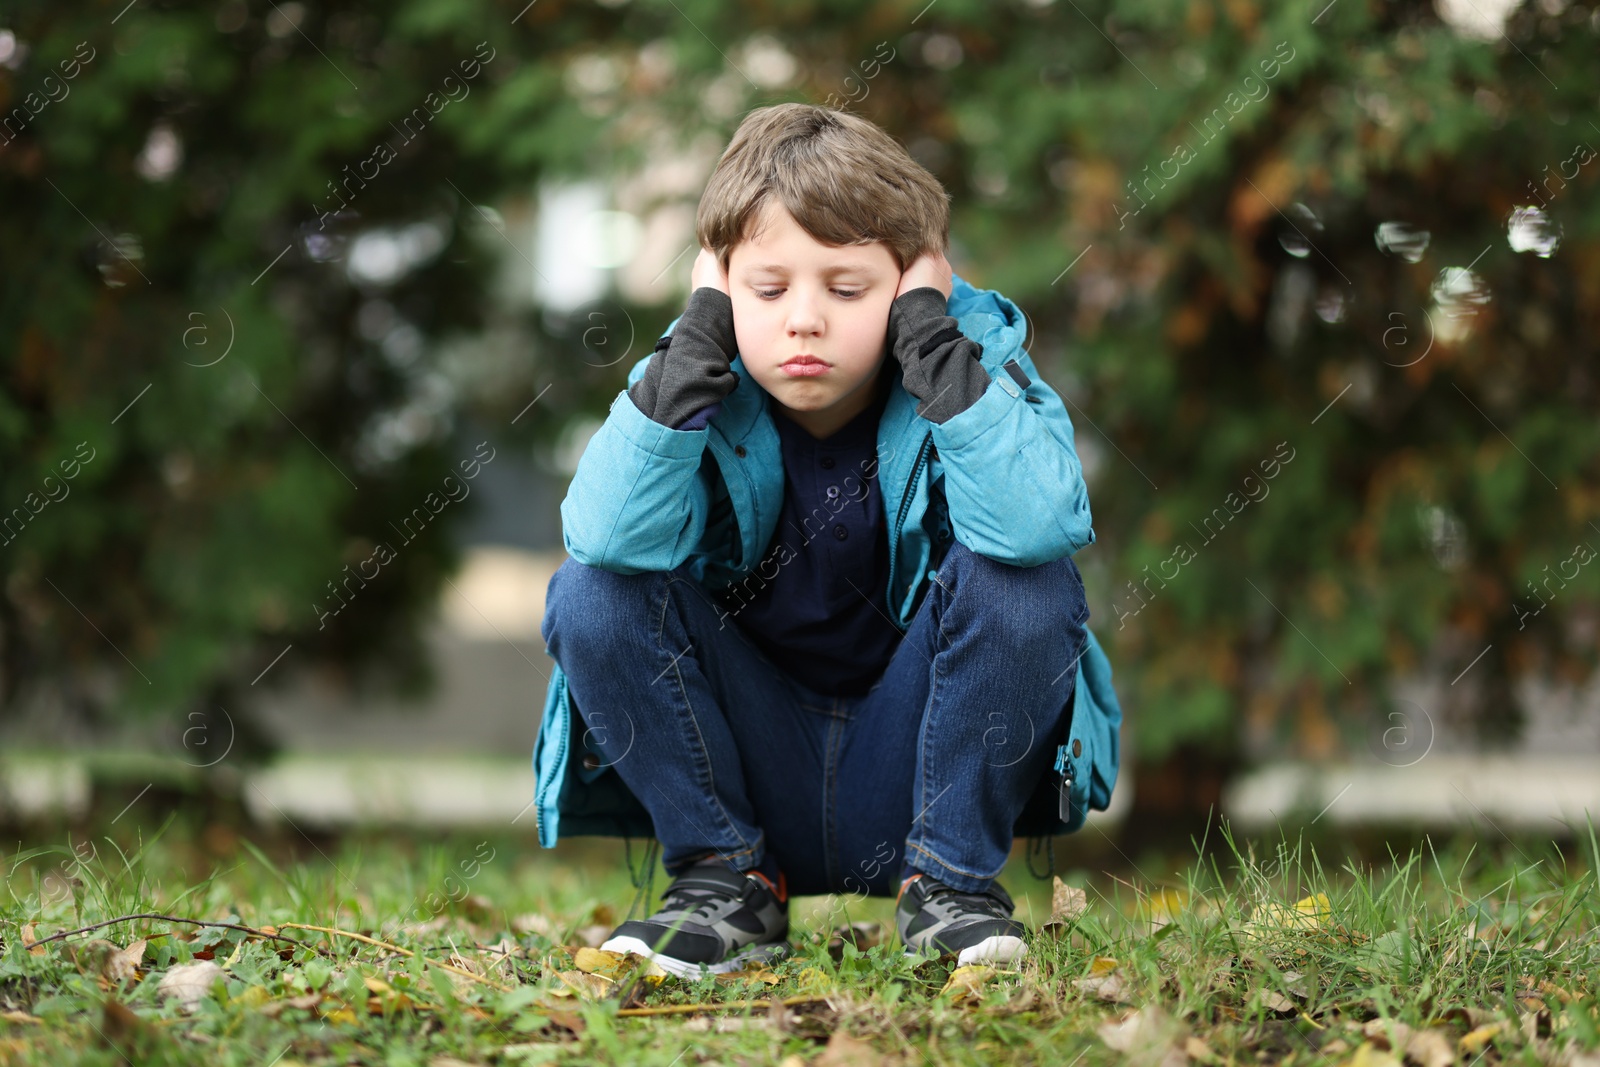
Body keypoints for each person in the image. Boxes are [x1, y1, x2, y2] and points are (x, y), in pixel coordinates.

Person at [532, 102, 1123, 977]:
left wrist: (933, 337)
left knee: (1027, 580)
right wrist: (698, 335)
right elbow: (607, 536)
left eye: (846, 289)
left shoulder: (972, 369)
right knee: (590, 588)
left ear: (912, 283)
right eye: (767, 289)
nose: (803, 319)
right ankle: (723, 887)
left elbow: (1038, 527)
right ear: (720, 282)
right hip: (745, 775)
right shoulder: (690, 381)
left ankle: (952, 892)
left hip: (918, 774)